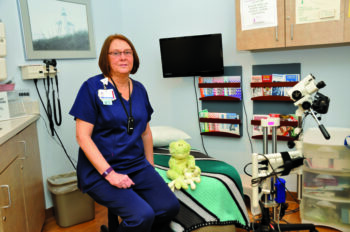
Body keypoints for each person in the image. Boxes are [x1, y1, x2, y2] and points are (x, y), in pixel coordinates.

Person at [69, 34, 180, 232]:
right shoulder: (92, 88)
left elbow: (145, 133)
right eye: (116, 53)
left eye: (127, 52)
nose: (123, 57)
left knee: (168, 207)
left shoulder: (139, 89)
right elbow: (82, 137)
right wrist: (110, 174)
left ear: (134, 57)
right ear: (106, 58)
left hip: (136, 165)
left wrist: (150, 166)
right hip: (100, 171)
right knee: (141, 216)